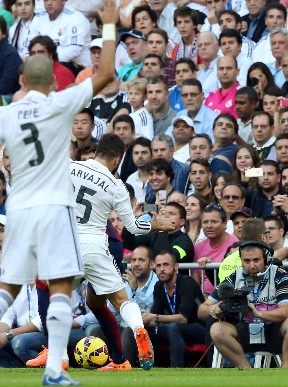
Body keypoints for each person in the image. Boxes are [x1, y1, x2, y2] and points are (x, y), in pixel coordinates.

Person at [0, 1, 117, 384]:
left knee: (8, 287)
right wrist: (111, 25)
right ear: (53, 82)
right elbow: (105, 73)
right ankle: (54, 372)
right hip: (54, 207)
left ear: (19, 82)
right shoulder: (62, 103)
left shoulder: (7, 114)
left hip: (18, 207)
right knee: (61, 285)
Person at [69, 134, 176, 371]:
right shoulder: (116, 185)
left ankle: (54, 356)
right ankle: (139, 329)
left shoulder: (71, 166)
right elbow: (134, 226)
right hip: (96, 247)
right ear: (118, 159)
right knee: (121, 300)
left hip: (68, 246)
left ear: (96, 152)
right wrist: (158, 224)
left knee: (53, 294)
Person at [198, 240, 288, 368]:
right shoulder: (233, 278)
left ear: (265, 259)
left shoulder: (279, 275)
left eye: (256, 260)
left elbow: (287, 311)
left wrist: (258, 313)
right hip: (244, 330)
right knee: (217, 329)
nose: (252, 266)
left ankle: (286, 371)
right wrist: (213, 308)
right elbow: (201, 310)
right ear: (241, 261)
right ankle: (247, 372)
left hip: (274, 330)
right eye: (247, 261)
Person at [140, 251, 205, 368]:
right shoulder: (159, 286)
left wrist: (154, 317)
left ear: (176, 266)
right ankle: (151, 368)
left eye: (166, 265)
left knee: (174, 327)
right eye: (158, 266)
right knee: (145, 330)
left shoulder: (187, 283)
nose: (162, 269)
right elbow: (156, 316)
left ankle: (176, 368)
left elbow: (183, 318)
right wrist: (144, 320)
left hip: (199, 328)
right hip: (174, 329)